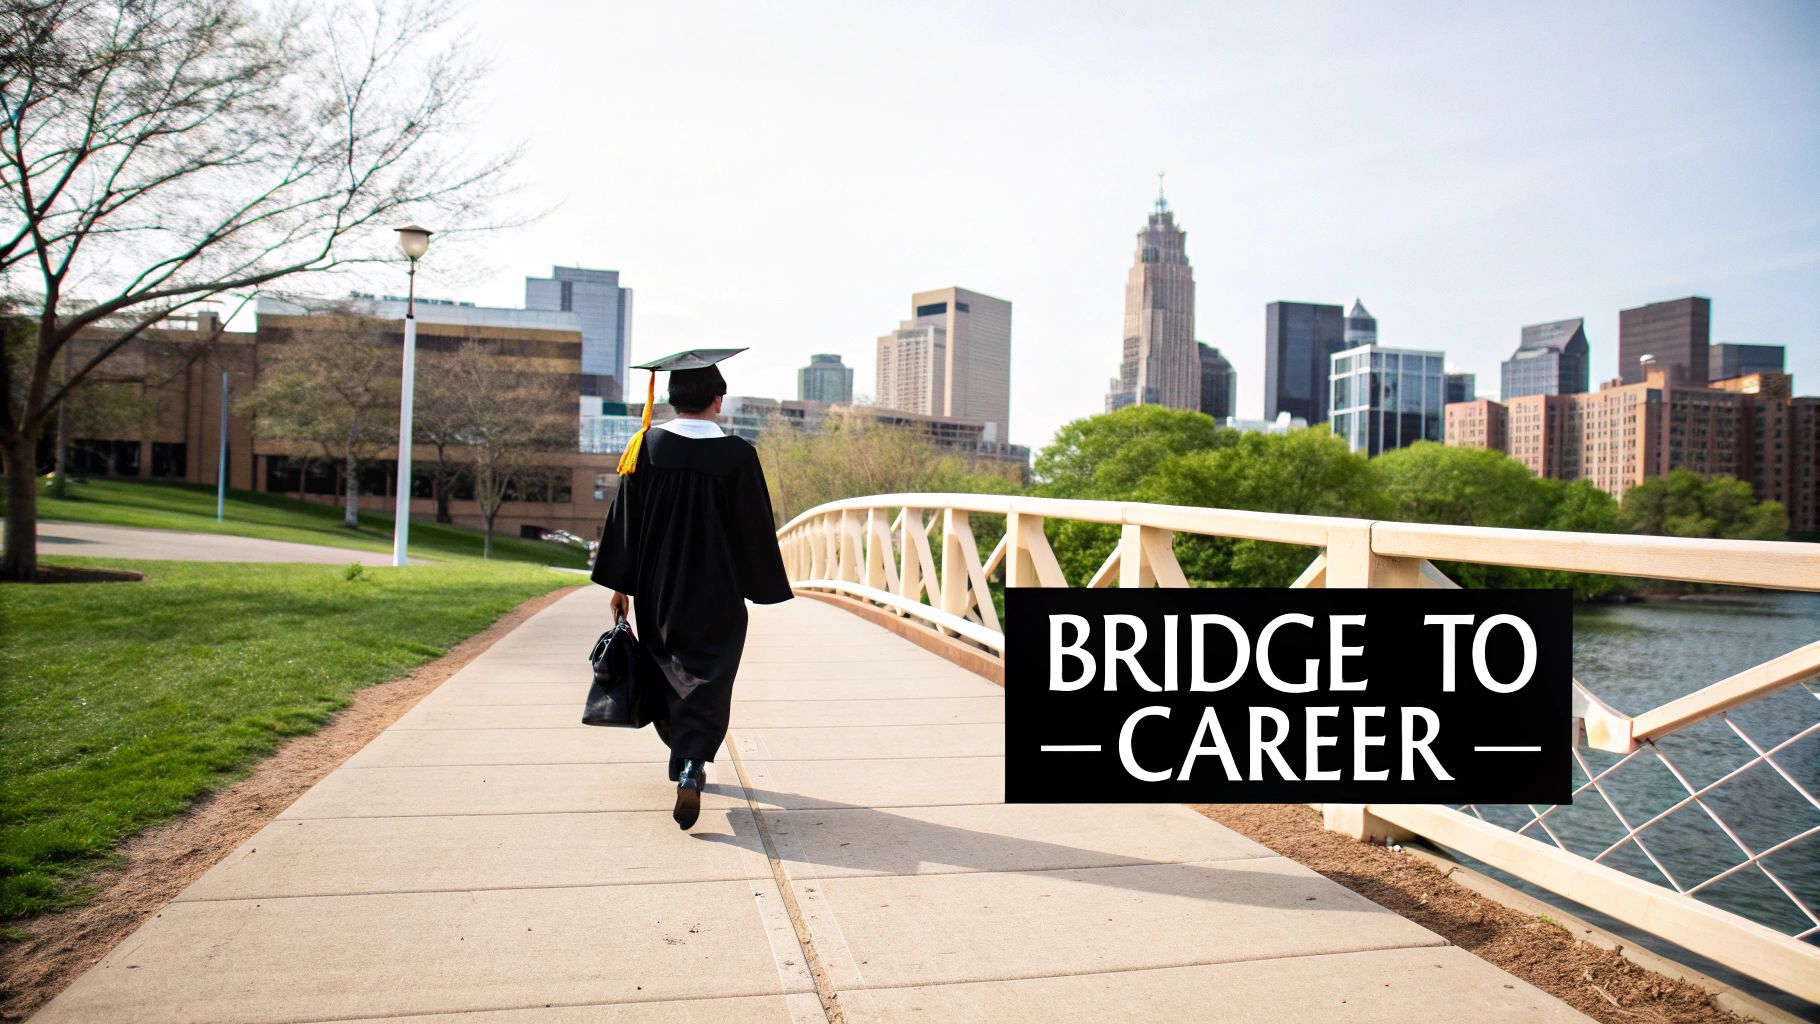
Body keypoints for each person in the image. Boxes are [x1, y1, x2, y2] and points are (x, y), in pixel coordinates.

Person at [591, 348, 793, 829]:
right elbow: (754, 528)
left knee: (669, 669)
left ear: (671, 399)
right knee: (711, 675)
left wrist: (621, 585)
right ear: (717, 401)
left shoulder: (648, 447)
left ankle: (683, 758)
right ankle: (691, 762)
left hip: (659, 588)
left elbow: (625, 524)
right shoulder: (738, 455)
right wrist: (758, 582)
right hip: (718, 589)